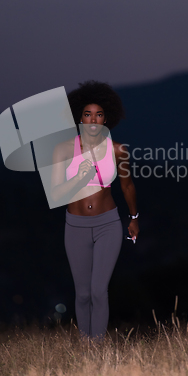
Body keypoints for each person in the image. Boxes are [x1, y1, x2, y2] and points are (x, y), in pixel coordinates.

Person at [50, 80, 139, 340]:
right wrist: (78, 177)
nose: (93, 119)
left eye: (99, 114)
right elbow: (56, 194)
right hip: (75, 225)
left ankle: (97, 348)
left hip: (108, 224)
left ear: (106, 117)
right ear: (78, 116)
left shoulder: (118, 150)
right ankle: (85, 347)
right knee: (83, 293)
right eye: (87, 114)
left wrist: (134, 218)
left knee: (99, 290)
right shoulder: (63, 150)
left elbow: (127, 186)